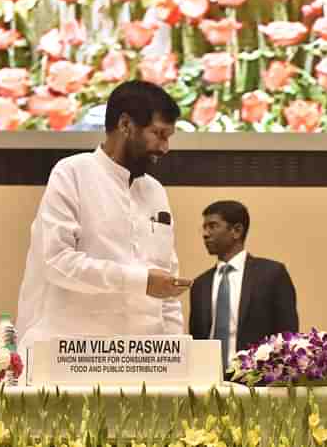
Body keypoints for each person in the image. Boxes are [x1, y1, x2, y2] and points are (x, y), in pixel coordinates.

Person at [16, 80, 192, 359]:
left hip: (145, 363)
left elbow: (167, 288)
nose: (165, 147)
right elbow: (57, 262)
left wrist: (176, 352)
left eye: (168, 136)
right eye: (158, 134)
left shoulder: (155, 191)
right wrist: (140, 281)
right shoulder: (72, 173)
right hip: (70, 358)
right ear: (125, 124)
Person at [189, 200, 299, 372]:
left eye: (212, 226)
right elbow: (196, 339)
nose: (205, 234)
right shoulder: (200, 284)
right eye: (204, 227)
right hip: (208, 381)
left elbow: (288, 335)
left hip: (257, 382)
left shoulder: (271, 274)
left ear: (237, 230)